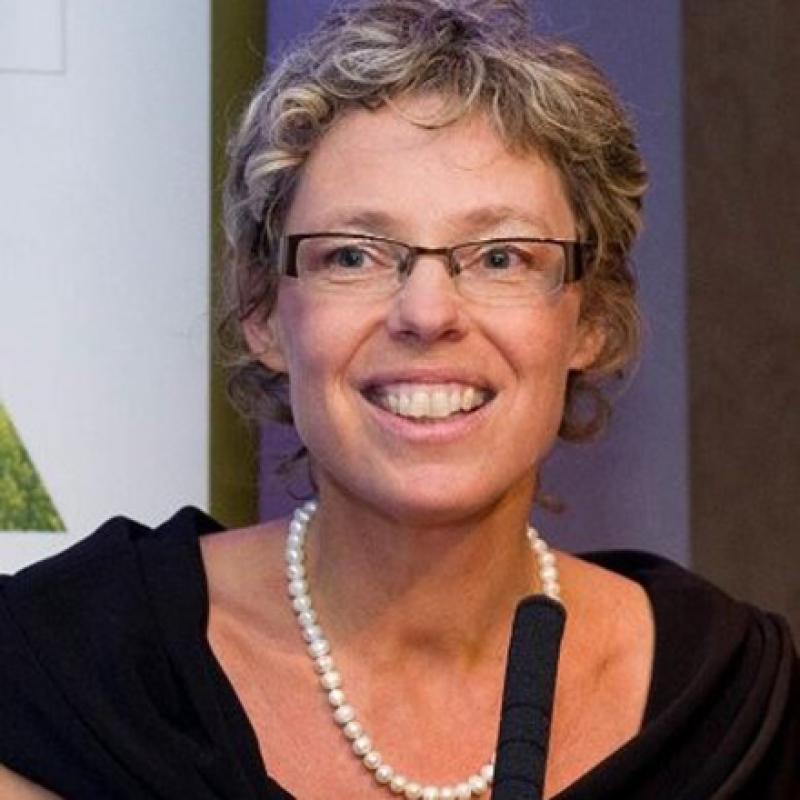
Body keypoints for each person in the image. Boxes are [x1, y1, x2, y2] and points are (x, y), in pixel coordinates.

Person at [0, 1, 797, 798]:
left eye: (501, 257)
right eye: (354, 255)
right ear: (262, 311)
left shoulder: (731, 710)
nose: (427, 312)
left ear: (591, 317)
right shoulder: (63, 677)